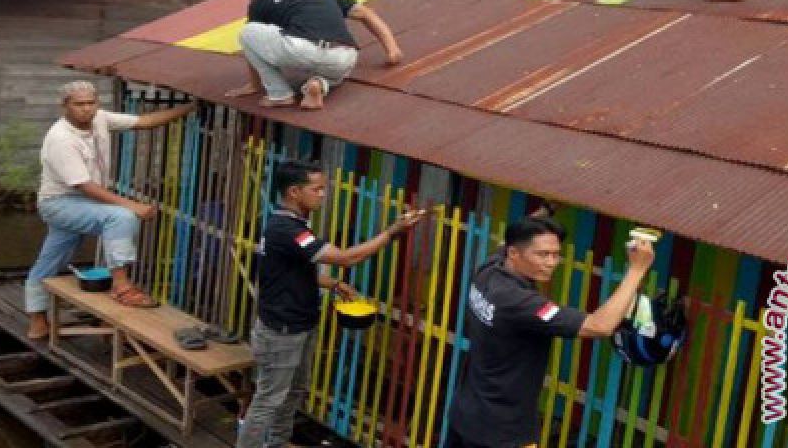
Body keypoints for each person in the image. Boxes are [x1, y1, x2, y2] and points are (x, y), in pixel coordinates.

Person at [237, 159, 425, 448]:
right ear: (294, 192)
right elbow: (347, 257)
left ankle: (276, 444)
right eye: (318, 189)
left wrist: (335, 284)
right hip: (282, 332)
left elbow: (297, 271)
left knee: (294, 391)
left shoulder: (295, 225)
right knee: (269, 399)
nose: (324, 195)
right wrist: (392, 232)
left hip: (300, 325)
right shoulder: (287, 229)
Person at [446, 217, 655, 448]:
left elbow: (512, 239)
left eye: (556, 254)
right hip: (503, 431)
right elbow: (599, 326)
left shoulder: (488, 270)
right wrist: (637, 270)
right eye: (543, 255)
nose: (551, 262)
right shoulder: (518, 301)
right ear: (514, 254)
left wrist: (547, 211)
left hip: (467, 413)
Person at [24, 80, 196, 340]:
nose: (86, 109)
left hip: (83, 204)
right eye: (78, 104)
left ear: (98, 103)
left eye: (90, 103)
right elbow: (85, 186)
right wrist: (133, 205)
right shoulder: (60, 139)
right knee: (121, 217)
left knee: (50, 260)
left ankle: (36, 316)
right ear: (65, 106)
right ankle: (122, 286)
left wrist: (191, 107)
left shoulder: (100, 119)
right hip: (60, 204)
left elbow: (144, 122)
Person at [225, 0, 403, 110]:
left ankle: (279, 94)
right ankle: (317, 85)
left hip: (303, 50)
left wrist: (254, 85)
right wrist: (392, 49)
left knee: (247, 32)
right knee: (336, 72)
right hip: (345, 54)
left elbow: (253, 44)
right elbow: (365, 13)